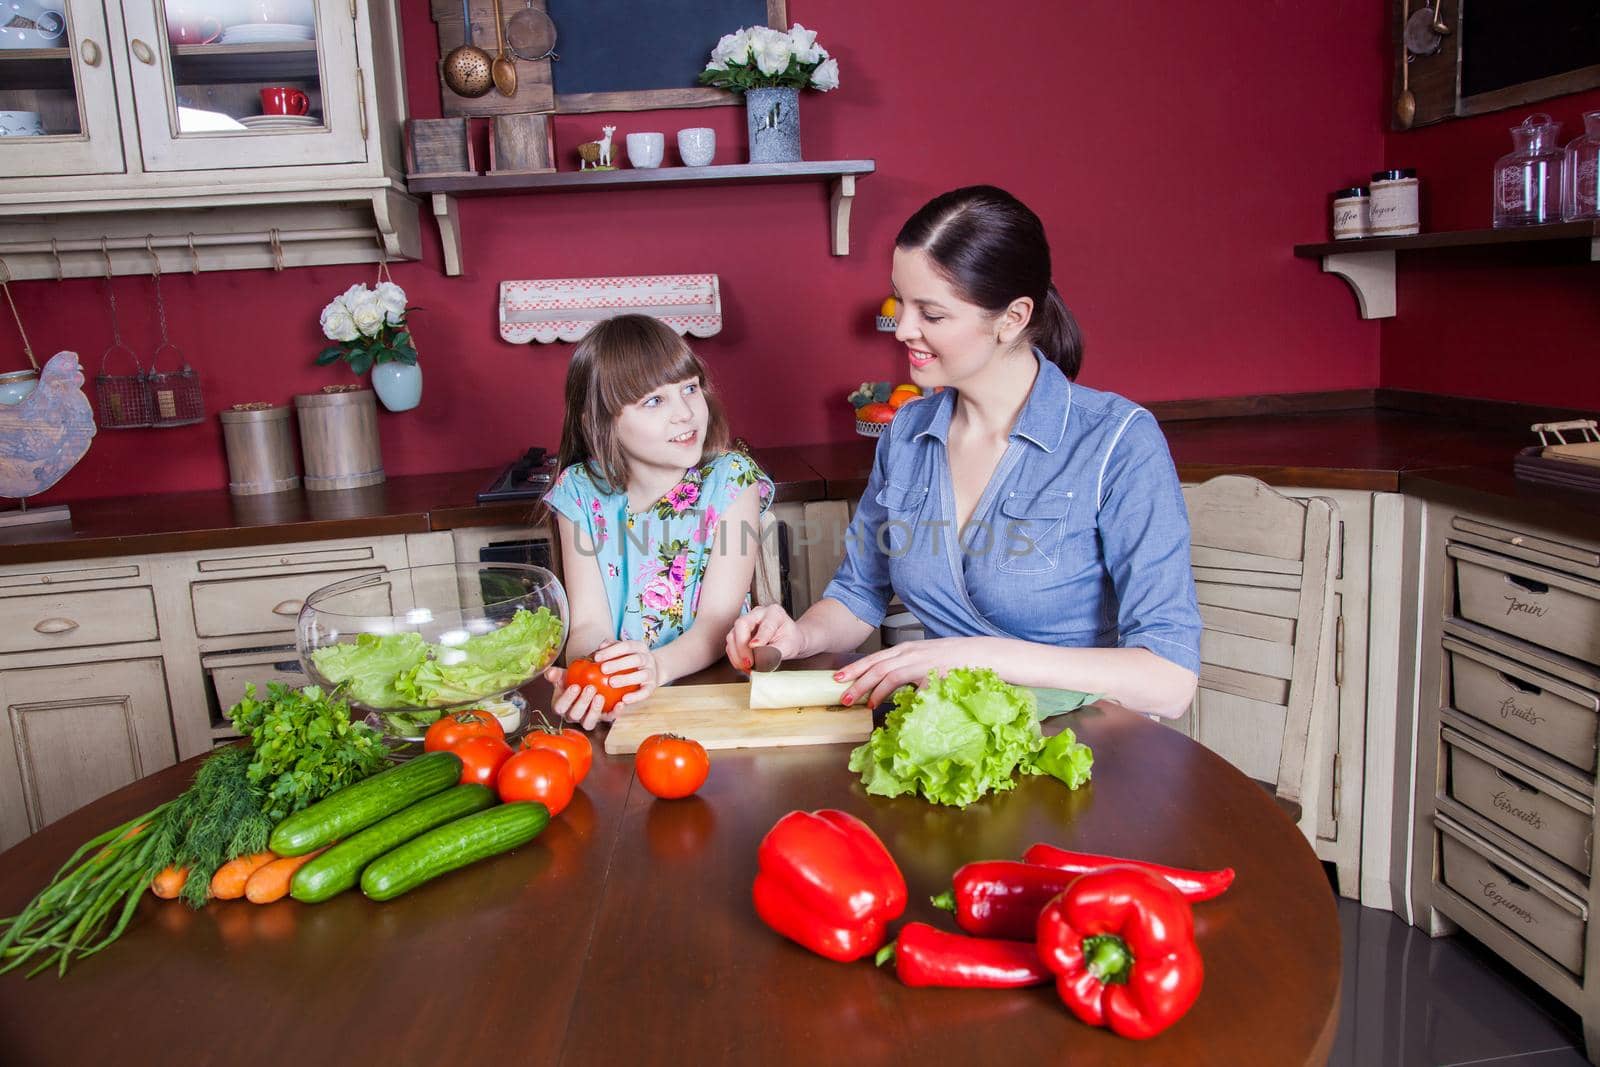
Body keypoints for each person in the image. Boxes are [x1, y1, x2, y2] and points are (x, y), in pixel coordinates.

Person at [725, 185, 1201, 717]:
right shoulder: (906, 432)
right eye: (901, 302)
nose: (904, 328)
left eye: (931, 313)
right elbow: (860, 593)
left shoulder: (1118, 441)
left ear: (1013, 318)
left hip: (1087, 752)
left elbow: (1169, 679)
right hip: (943, 741)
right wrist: (799, 635)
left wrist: (972, 657)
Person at [544, 314, 773, 728]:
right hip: (628, 703)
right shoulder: (578, 491)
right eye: (654, 401)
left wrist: (656, 667)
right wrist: (597, 677)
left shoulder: (732, 479)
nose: (685, 413)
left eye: (689, 389)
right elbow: (588, 624)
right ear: (600, 422)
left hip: (715, 696)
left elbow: (716, 623)